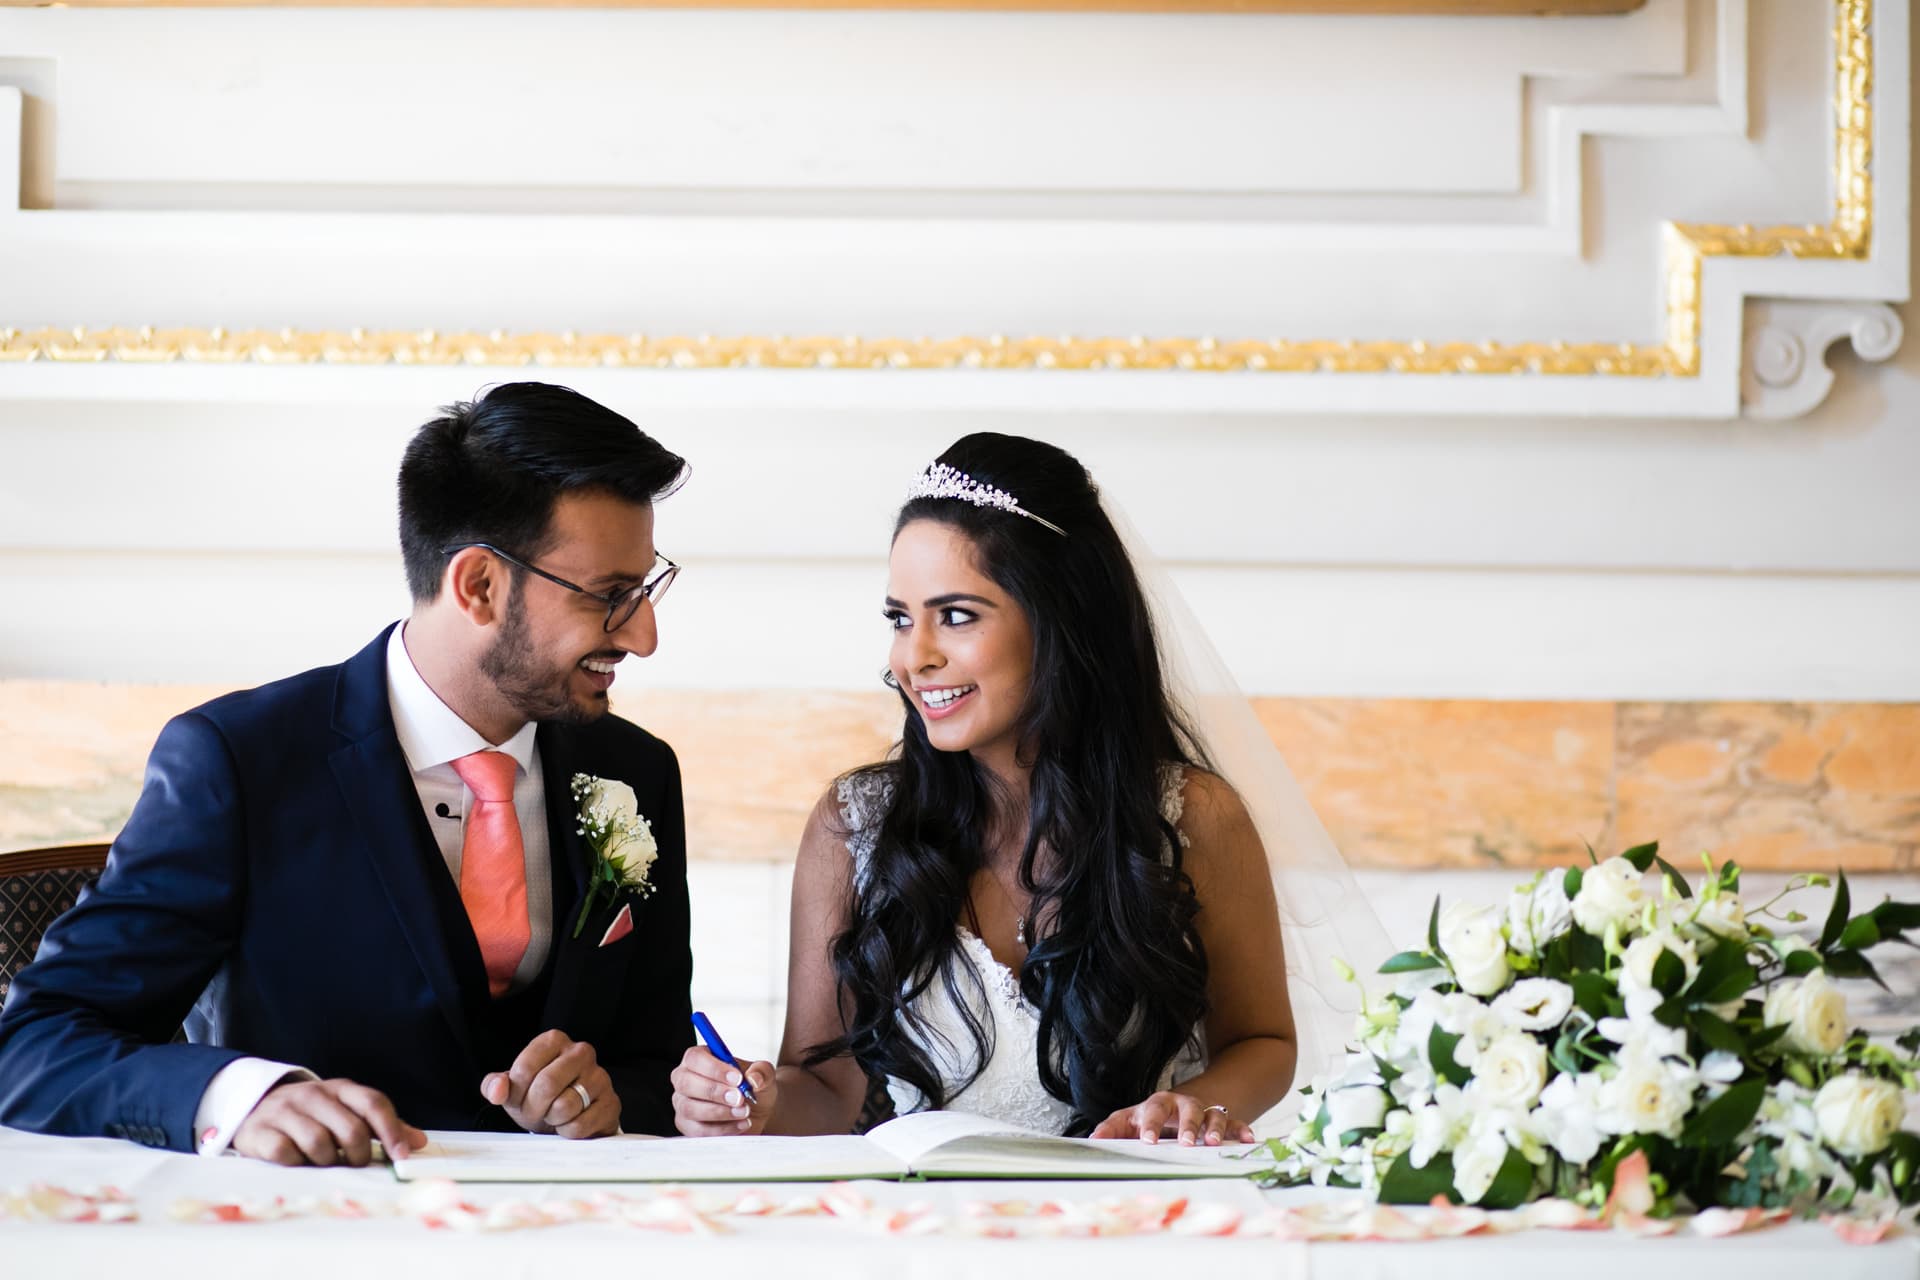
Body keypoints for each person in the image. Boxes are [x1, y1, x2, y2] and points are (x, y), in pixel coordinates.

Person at [0, 382, 695, 1165]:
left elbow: (660, 1063)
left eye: (646, 588)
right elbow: (32, 1045)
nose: (644, 635)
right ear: (479, 586)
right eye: (611, 597)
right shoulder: (240, 762)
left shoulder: (636, 773)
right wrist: (237, 1099)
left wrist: (605, 1095)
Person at [671, 432, 1308, 1146]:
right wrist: (745, 1102)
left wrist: (1189, 1106)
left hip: (1127, 1219)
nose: (916, 657)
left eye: (957, 615)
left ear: (1058, 621)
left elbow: (1263, 1043)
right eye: (900, 618)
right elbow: (822, 1092)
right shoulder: (853, 826)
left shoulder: (1192, 817)